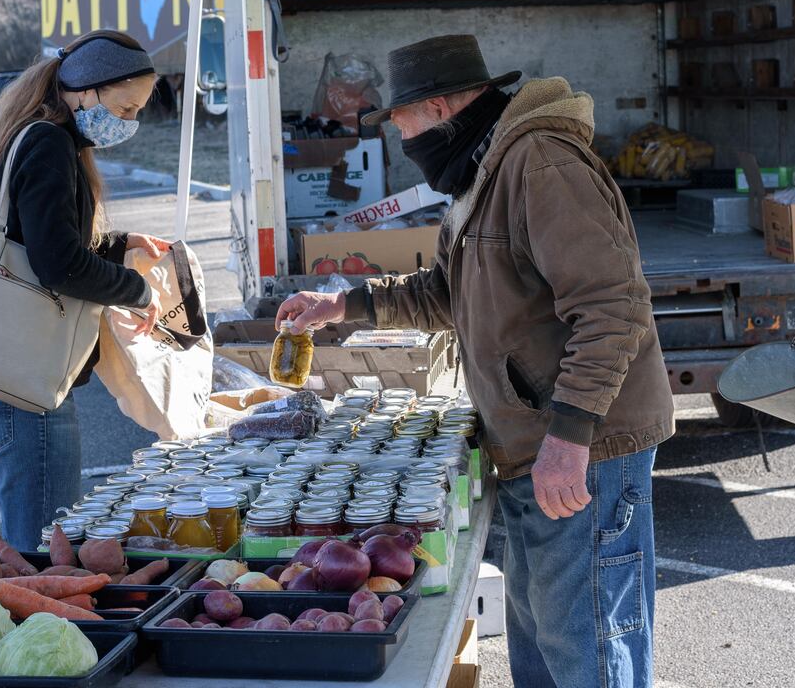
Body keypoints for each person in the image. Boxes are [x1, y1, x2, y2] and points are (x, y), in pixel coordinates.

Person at [275, 34, 674, 688]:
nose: (402, 143)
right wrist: (343, 305)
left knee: (588, 653)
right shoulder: (480, 173)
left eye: (400, 124)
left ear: (437, 109)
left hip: (584, 448)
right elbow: (445, 292)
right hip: (531, 442)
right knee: (545, 647)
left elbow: (612, 306)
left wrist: (569, 437)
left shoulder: (539, 164)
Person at [0, 30, 169, 550]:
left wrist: (116, 244)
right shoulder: (50, 142)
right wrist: (136, 289)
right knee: (42, 547)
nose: (127, 123)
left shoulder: (43, 134)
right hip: (23, 382)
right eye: (123, 108)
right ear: (86, 91)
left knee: (40, 536)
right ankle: (37, 625)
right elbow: (58, 264)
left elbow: (39, 239)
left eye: (136, 112)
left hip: (9, 372)